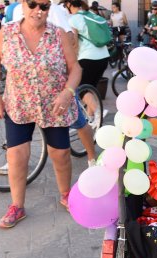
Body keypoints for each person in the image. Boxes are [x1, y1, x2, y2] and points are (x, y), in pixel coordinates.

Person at [0, 0, 82, 228]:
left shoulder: (57, 34)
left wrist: (67, 93)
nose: (38, 10)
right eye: (32, 4)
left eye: (44, 6)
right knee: (17, 156)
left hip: (54, 104)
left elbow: (75, 68)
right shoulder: (7, 32)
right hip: (19, 103)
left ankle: (66, 194)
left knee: (61, 154)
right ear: (23, 4)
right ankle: (17, 206)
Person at [64, 0, 110, 157]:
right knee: (91, 88)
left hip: (87, 58)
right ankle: (91, 120)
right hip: (103, 57)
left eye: (66, 5)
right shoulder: (92, 15)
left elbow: (73, 41)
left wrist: (71, 59)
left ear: (70, 4)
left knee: (81, 89)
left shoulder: (73, 19)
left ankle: (98, 114)